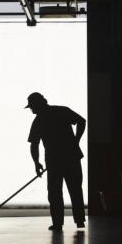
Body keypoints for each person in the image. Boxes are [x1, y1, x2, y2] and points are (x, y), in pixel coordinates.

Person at [25, 92, 87, 231]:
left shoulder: (38, 121)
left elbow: (34, 144)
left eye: (32, 106)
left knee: (54, 192)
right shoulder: (62, 111)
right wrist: (76, 141)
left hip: (54, 160)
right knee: (75, 189)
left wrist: (37, 163)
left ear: (38, 104)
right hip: (71, 156)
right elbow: (82, 121)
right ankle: (79, 220)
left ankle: (58, 223)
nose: (31, 110)